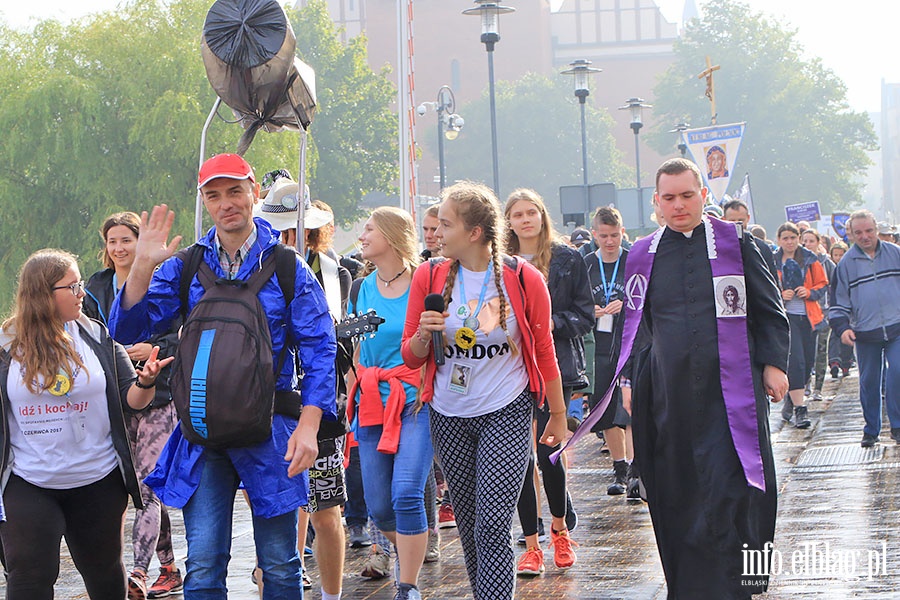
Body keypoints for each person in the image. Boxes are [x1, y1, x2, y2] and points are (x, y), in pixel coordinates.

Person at [109, 153, 337, 599]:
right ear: (205, 202)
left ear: (254, 191)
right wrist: (141, 266)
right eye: (214, 195)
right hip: (203, 434)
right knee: (205, 564)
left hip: (271, 431)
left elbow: (319, 348)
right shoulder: (187, 266)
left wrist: (310, 424)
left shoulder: (288, 268)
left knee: (280, 564)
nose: (226, 203)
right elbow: (127, 332)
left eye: (235, 191)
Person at [591, 158, 789, 598]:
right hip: (670, 392)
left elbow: (769, 309)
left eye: (686, 195)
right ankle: (692, 584)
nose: (678, 205)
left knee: (735, 484)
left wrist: (774, 363)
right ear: (656, 202)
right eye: (668, 198)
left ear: (703, 195)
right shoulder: (642, 253)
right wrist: (627, 380)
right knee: (681, 488)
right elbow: (637, 327)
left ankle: (742, 579)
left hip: (731, 392)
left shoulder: (736, 243)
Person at [402, 181, 568, 600]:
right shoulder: (430, 274)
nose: (437, 233)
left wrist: (559, 415)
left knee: (493, 522)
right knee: (472, 525)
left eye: (445, 224)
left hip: (507, 410)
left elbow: (544, 349)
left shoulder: (522, 277)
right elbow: (411, 356)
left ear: (475, 232)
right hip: (448, 413)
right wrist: (425, 333)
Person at [0, 249, 173, 599]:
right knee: (29, 577)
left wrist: (146, 382)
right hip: (29, 482)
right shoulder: (7, 346)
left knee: (105, 575)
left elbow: (131, 401)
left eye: (80, 284)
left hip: (97, 481)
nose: (82, 293)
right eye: (72, 286)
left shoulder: (95, 335)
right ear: (43, 294)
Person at [254, 175, 351, 600]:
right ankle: (281, 583)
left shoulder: (332, 270)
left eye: (298, 227)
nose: (291, 235)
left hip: (317, 404)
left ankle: (331, 594)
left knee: (326, 511)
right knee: (279, 509)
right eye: (282, 227)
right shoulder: (254, 268)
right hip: (273, 407)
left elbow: (328, 343)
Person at [82, 212, 182, 600]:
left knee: (147, 487)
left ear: (141, 243)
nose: (120, 248)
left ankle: (138, 573)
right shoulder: (94, 286)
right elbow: (88, 337)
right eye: (113, 241)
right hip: (116, 397)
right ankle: (169, 567)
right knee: (137, 486)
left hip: (160, 396)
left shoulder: (165, 280)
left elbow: (185, 329)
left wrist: (154, 350)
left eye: (127, 240)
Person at [504, 189, 590, 575]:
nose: (525, 220)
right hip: (508, 370)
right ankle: (532, 543)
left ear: (542, 216)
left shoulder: (568, 258)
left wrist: (547, 323)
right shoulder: (496, 262)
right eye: (517, 214)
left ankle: (559, 529)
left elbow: (584, 315)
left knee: (548, 454)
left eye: (531, 212)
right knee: (520, 461)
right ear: (507, 221)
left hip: (556, 367)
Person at [348, 206, 432, 600]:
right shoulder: (362, 288)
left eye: (369, 229)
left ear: (391, 236)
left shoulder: (422, 281)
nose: (362, 236)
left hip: (416, 403)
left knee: (406, 493)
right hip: (372, 406)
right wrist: (356, 384)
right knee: (379, 508)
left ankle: (409, 584)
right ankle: (407, 552)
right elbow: (355, 343)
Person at [829, 210, 900, 447]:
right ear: (851, 234)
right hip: (865, 332)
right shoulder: (846, 265)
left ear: (876, 230)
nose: (865, 236)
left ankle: (898, 425)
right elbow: (837, 302)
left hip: (896, 327)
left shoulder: (895, 255)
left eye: (869, 231)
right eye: (858, 232)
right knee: (869, 381)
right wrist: (842, 328)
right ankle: (871, 429)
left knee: (897, 371)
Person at [582, 206, 636, 498]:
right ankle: (620, 467)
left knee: (630, 407)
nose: (610, 241)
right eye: (603, 236)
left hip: (629, 342)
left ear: (622, 232)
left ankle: (637, 467)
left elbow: (645, 299)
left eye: (615, 235)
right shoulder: (587, 263)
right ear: (595, 235)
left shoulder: (632, 261)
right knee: (605, 407)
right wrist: (590, 310)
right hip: (599, 346)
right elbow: (575, 303)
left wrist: (626, 305)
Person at [774, 222, 828, 428]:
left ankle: (792, 397)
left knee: (807, 363)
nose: (789, 242)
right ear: (779, 240)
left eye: (793, 238)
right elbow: (766, 288)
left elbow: (823, 283)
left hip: (809, 317)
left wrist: (810, 292)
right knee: (795, 361)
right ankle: (800, 410)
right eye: (785, 238)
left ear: (798, 239)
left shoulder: (809, 259)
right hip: (786, 318)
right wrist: (780, 295)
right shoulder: (772, 261)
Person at [801, 228, 836, 400]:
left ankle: (818, 388)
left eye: (811, 241)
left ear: (818, 243)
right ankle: (805, 383)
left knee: (821, 350)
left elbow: (833, 286)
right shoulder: (797, 261)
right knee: (805, 350)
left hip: (823, 312)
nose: (807, 244)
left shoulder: (826, 263)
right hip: (803, 313)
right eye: (805, 241)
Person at [722, 198, 778, 281]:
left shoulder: (762, 247)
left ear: (748, 218)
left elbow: (773, 279)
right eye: (732, 221)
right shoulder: (717, 247)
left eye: (741, 220)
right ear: (723, 219)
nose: (737, 224)